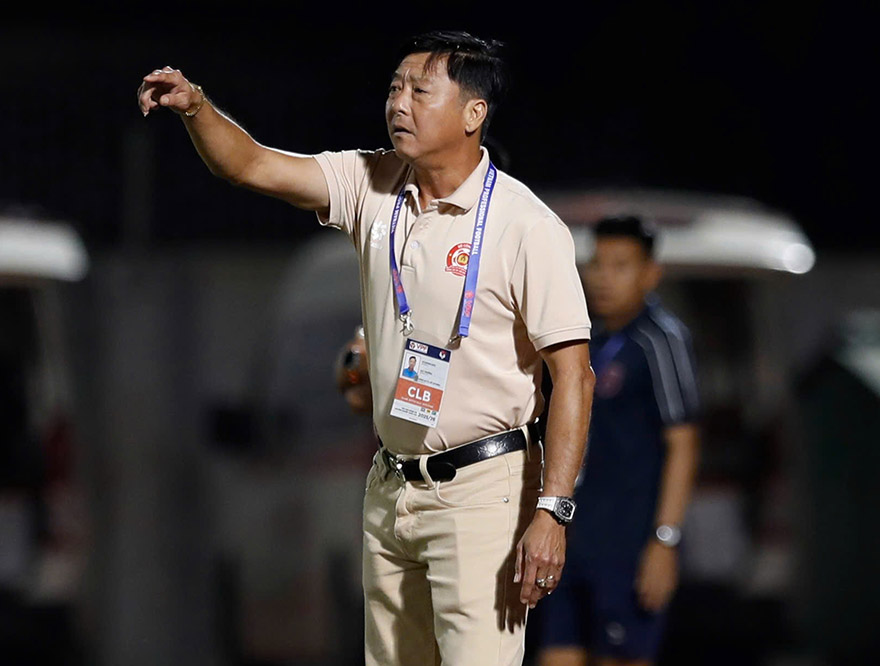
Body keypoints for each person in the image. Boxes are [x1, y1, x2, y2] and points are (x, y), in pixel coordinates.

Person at [137, 30, 595, 666]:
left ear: (473, 113)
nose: (398, 103)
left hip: (482, 491)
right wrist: (196, 106)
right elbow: (250, 165)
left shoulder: (527, 226)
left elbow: (574, 377)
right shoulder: (370, 181)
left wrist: (552, 511)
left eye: (420, 91)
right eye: (394, 88)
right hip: (391, 485)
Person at [533, 215, 702, 666]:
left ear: (651, 273)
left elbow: (683, 443)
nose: (604, 278)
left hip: (629, 543)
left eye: (621, 266)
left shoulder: (661, 339)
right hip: (572, 535)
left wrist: (664, 541)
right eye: (597, 264)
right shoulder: (581, 337)